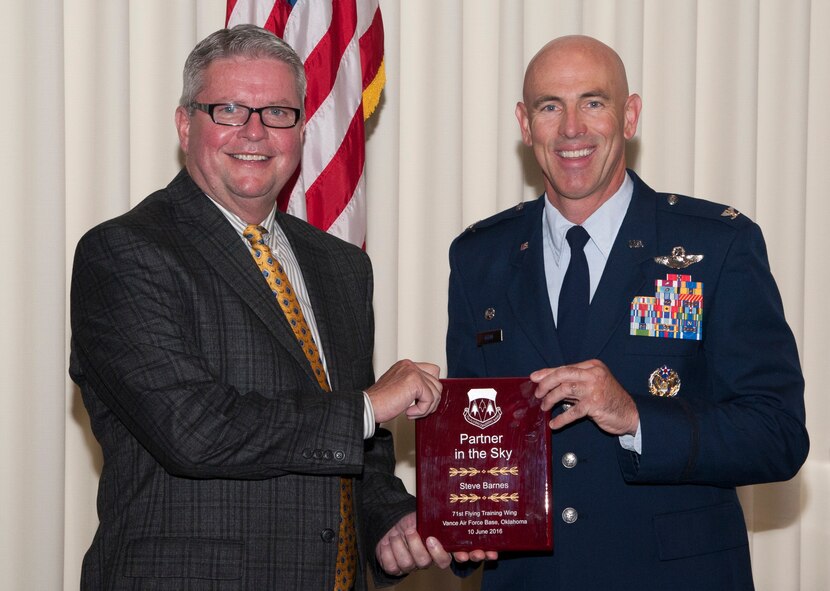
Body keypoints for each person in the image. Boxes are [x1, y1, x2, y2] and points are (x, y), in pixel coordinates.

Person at [70, 24, 451, 590]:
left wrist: (388, 518)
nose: (255, 132)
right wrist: (369, 405)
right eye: (229, 110)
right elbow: (194, 431)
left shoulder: (341, 267)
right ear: (184, 124)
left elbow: (354, 450)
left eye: (278, 113)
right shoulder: (124, 253)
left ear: (301, 128)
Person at [446, 35, 809, 590]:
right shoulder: (479, 258)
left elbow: (777, 434)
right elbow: (476, 442)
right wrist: (458, 528)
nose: (572, 128)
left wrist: (637, 417)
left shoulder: (716, 247)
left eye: (594, 102)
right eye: (550, 106)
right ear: (525, 124)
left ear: (630, 115)